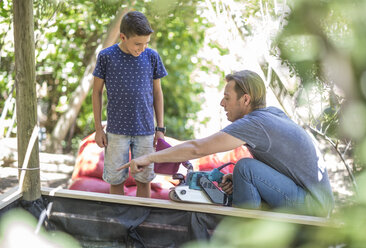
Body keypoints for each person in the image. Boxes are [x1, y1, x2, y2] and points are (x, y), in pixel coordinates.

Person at [118, 69, 335, 216]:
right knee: (242, 172)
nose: (222, 103)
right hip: (314, 199)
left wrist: (149, 157)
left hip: (312, 205)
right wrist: (240, 182)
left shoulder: (255, 123)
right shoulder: (272, 115)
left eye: (227, 97)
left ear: (246, 100)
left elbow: (197, 148)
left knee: (245, 168)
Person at [92, 11, 167, 198]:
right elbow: (97, 92)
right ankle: (119, 224)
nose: (142, 48)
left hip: (146, 131)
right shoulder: (106, 56)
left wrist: (160, 127)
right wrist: (98, 129)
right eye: (137, 44)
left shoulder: (151, 56)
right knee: (116, 179)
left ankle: (141, 222)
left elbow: (158, 92)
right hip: (116, 132)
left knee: (144, 179)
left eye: (146, 43)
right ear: (123, 37)